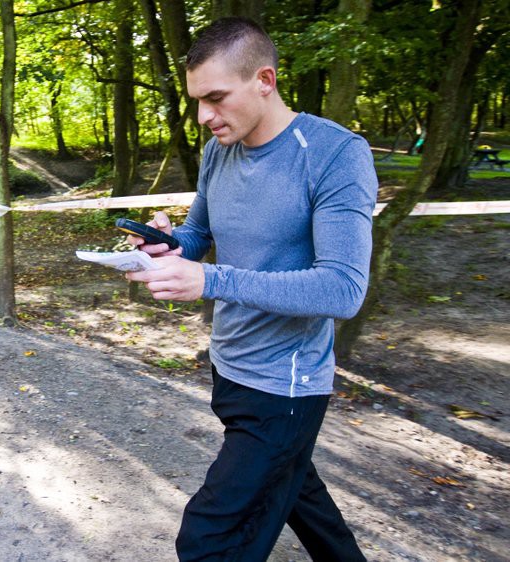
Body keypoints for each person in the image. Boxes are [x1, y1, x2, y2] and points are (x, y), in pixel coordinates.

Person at [125, 17, 377, 562]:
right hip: (230, 364)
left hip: (285, 388)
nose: (204, 117)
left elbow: (343, 289)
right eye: (196, 100)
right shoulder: (221, 148)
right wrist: (168, 247)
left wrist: (211, 279)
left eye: (216, 97)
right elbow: (199, 234)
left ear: (264, 79)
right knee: (298, 495)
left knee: (210, 539)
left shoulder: (335, 154)